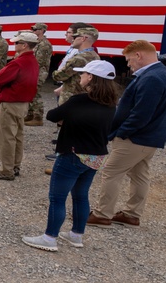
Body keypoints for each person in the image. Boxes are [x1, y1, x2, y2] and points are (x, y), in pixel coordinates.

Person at [22, 60, 118, 251]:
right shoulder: (111, 104)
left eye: (83, 73)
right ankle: (76, 234)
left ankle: (50, 237)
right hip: (96, 156)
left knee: (57, 197)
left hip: (73, 153)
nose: (81, 76)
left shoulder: (79, 100)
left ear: (90, 77)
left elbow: (52, 115)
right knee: (81, 195)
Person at [88, 40, 166, 228]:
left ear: (138, 55)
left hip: (136, 138)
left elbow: (141, 114)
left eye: (129, 61)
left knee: (111, 172)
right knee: (140, 175)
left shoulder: (151, 77)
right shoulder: (165, 73)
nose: (128, 65)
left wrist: (121, 132)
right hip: (150, 137)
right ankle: (132, 215)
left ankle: (102, 214)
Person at [0, 31, 40, 180]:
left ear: (24, 45)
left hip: (11, 102)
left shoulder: (18, 62)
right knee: (17, 136)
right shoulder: (32, 61)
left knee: (5, 137)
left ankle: (6, 169)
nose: (14, 44)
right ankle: (14, 165)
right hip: (23, 103)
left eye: (17, 43)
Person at [52, 26, 99, 105]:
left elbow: (58, 76)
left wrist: (54, 73)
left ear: (83, 38)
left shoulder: (78, 59)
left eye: (75, 37)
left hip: (70, 99)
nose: (72, 39)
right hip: (84, 98)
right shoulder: (95, 56)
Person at [25, 23, 53, 126]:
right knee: (30, 92)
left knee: (35, 92)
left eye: (35, 29)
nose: (33, 30)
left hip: (39, 71)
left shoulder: (44, 44)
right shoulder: (36, 43)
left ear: (41, 30)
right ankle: (30, 114)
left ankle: (38, 117)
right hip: (32, 70)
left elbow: (39, 61)